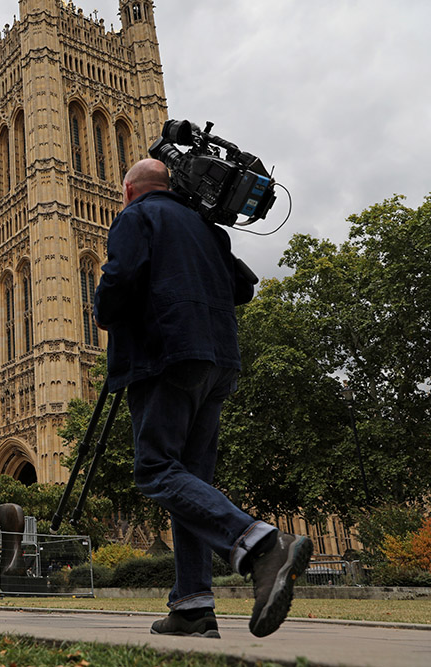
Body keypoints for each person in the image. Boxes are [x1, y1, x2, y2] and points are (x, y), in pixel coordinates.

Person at [94, 158, 313, 639]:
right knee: (189, 485)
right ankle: (193, 606)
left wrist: (106, 310)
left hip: (166, 356)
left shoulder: (137, 215)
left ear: (129, 191)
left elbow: (119, 280)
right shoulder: (205, 226)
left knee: (155, 470)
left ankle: (259, 544)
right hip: (219, 361)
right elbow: (244, 286)